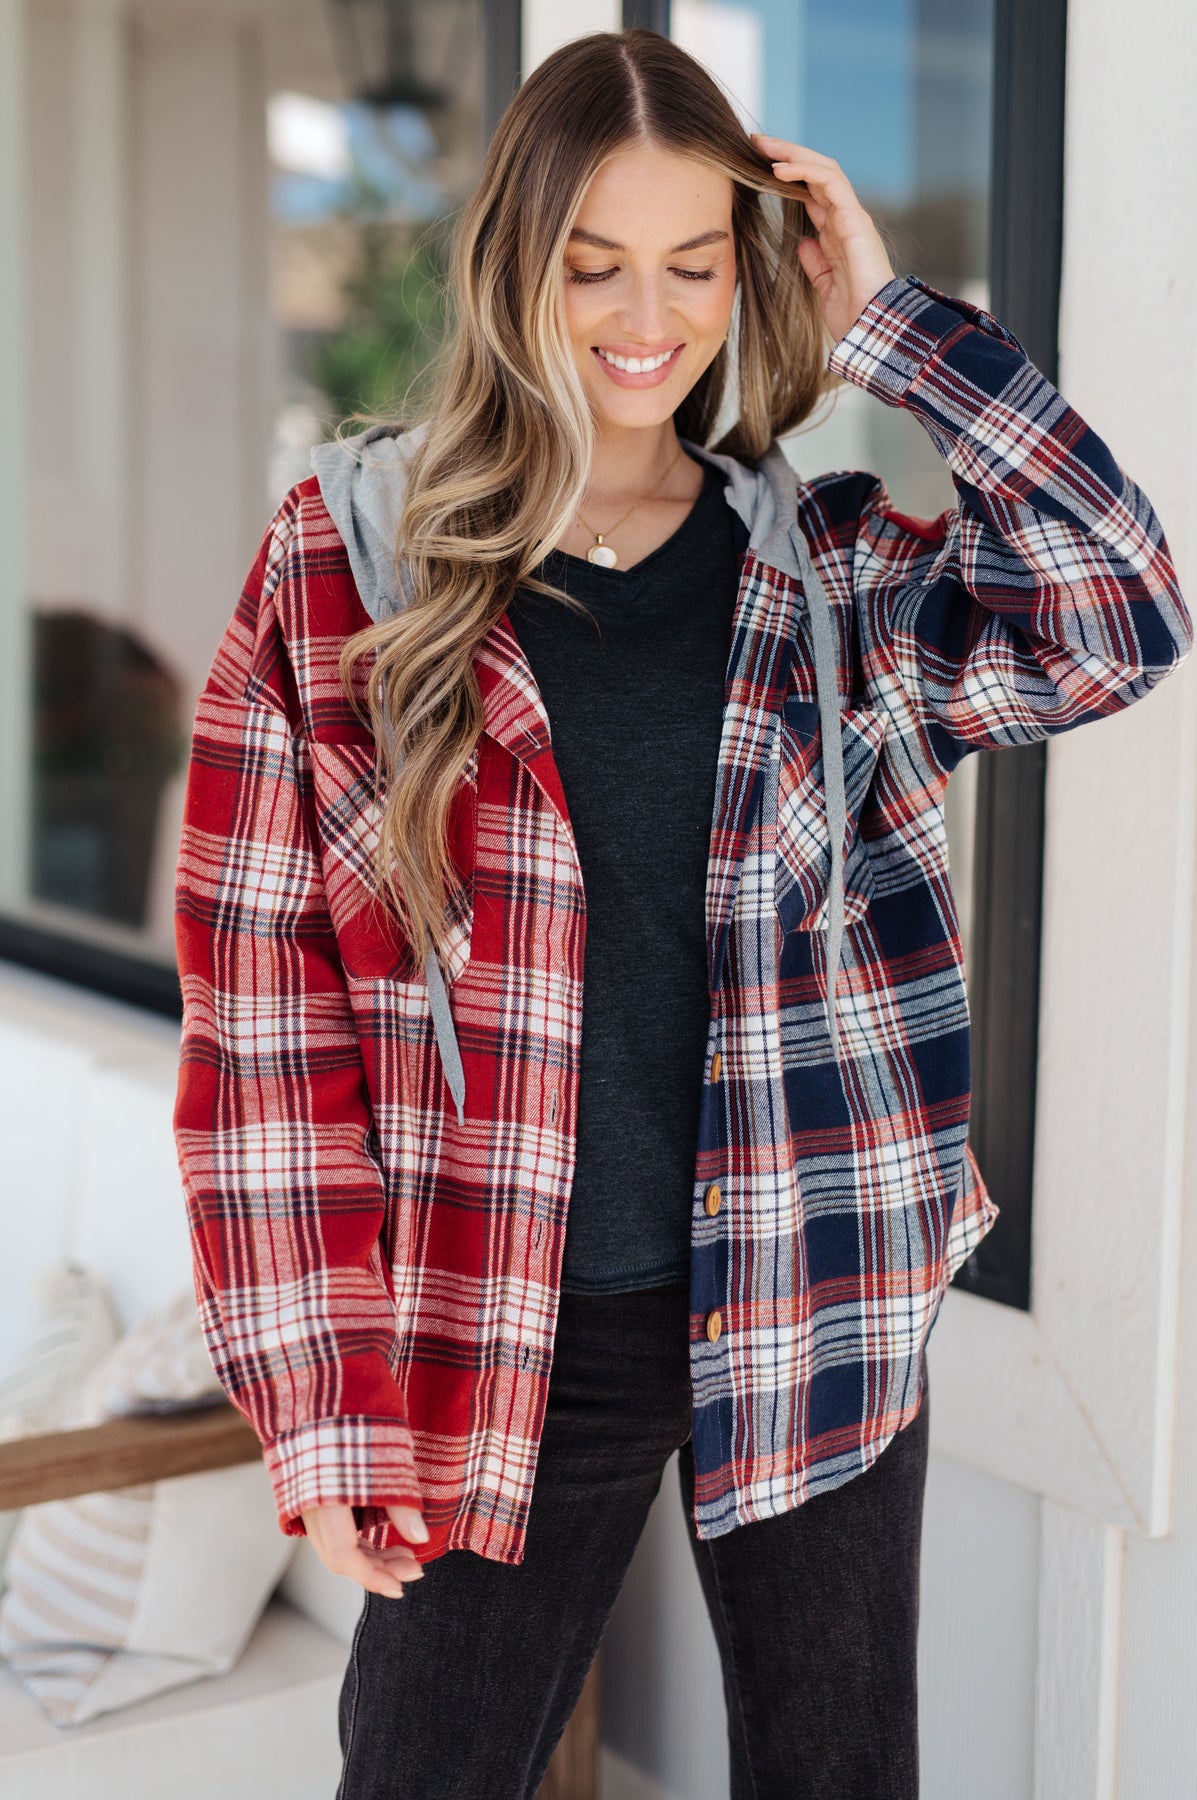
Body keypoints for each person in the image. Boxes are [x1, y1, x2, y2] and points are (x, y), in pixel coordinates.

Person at [171, 27, 1192, 1800]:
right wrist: (321, 1399)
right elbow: (265, 1021)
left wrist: (894, 328)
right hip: (493, 1320)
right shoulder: (342, 567)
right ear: (514, 267)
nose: (646, 319)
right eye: (593, 266)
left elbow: (1117, 617)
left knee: (836, 1772)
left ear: (748, 271)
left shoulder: (835, 578)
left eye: (692, 264)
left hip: (811, 1282)